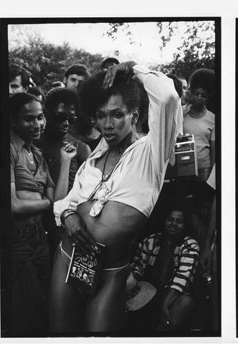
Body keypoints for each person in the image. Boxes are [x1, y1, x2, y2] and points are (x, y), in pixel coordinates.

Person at [50, 62, 182, 333]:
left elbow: (167, 96)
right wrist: (68, 215)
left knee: (100, 339)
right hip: (67, 257)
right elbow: (67, 201)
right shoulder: (94, 157)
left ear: (134, 115)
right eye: (101, 115)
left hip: (111, 270)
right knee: (61, 337)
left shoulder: (152, 153)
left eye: (116, 114)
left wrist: (132, 68)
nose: (107, 125)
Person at [8, 93, 71, 335]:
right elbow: (12, 206)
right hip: (17, 237)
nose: (37, 124)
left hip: (40, 236)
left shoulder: (36, 154)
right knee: (23, 307)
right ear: (13, 121)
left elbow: (58, 200)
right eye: (28, 119)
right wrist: (46, 202)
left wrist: (66, 162)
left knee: (43, 304)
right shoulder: (8, 149)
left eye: (40, 117)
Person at [129, 208, 200, 331]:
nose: (173, 224)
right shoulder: (150, 241)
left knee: (186, 302)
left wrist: (165, 305)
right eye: (170, 220)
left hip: (171, 296)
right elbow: (138, 267)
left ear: (185, 225)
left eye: (179, 221)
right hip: (147, 292)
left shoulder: (190, 245)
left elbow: (183, 278)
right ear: (164, 221)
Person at [40, 88, 92, 188]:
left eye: (71, 119)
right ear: (47, 113)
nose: (66, 123)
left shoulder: (80, 148)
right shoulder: (33, 144)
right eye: (60, 117)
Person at [184, 69, 216, 180]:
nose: (199, 97)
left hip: (204, 168)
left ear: (208, 97)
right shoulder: (181, 113)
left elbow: (213, 149)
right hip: (184, 165)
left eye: (203, 95)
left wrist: (212, 174)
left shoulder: (212, 119)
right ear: (191, 93)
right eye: (196, 93)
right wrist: (181, 115)